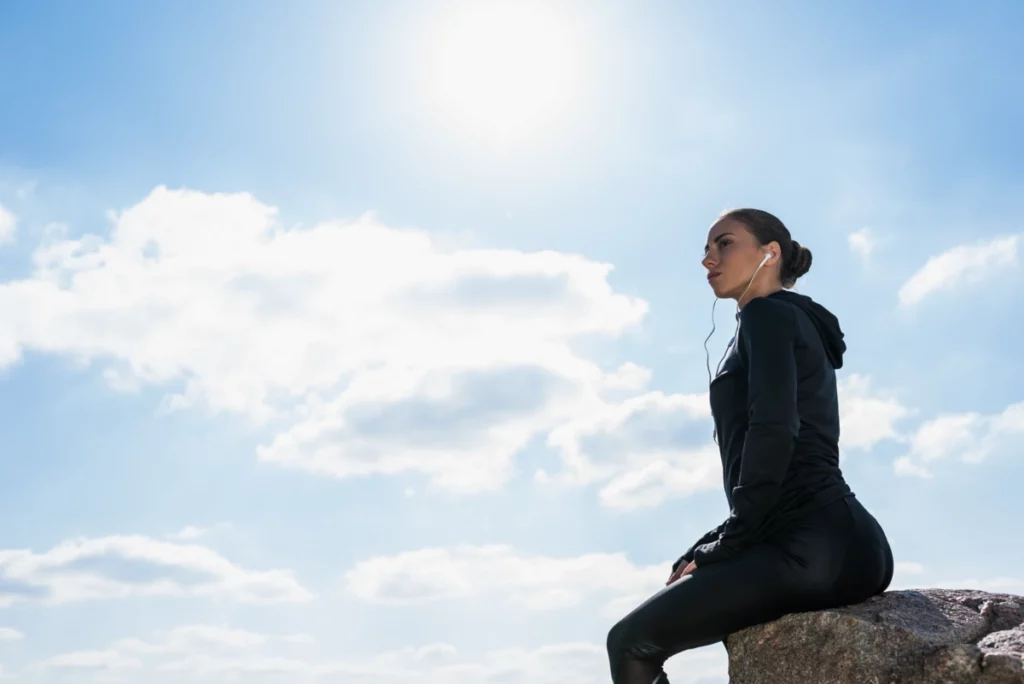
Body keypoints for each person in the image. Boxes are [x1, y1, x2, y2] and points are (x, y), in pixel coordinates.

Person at [606, 208, 894, 684]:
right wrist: (712, 539)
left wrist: (731, 540)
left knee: (630, 643)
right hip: (856, 545)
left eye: (724, 244)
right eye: (705, 249)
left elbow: (774, 432)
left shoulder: (766, 314)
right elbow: (785, 453)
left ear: (770, 253)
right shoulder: (790, 320)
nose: (708, 260)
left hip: (809, 546)